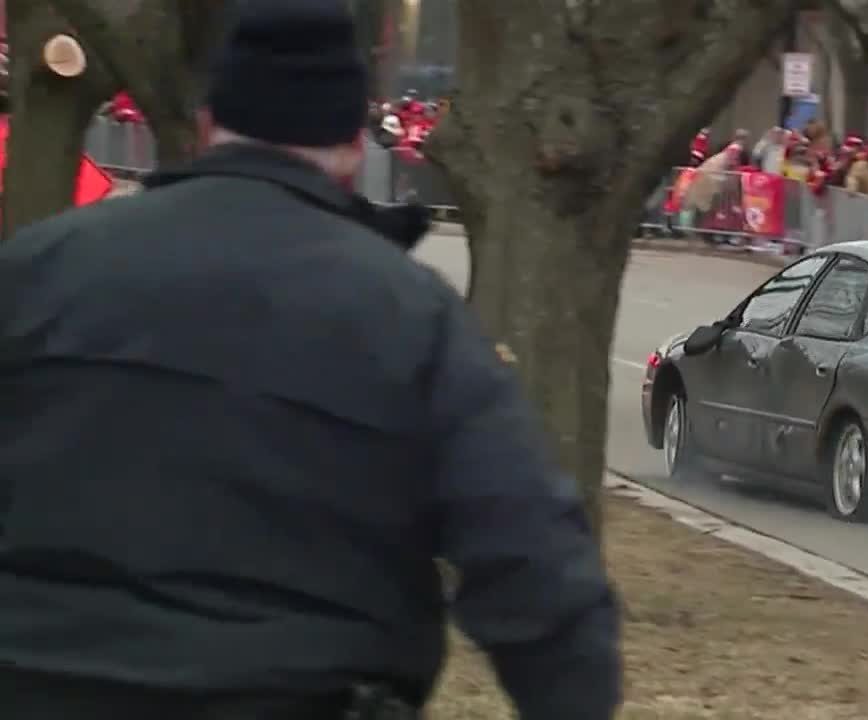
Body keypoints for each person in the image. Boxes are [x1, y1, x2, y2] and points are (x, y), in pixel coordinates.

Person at [0, 2, 621, 719]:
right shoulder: (411, 316)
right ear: (355, 149)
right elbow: (533, 562)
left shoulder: (37, 271)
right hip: (299, 690)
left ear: (206, 130)